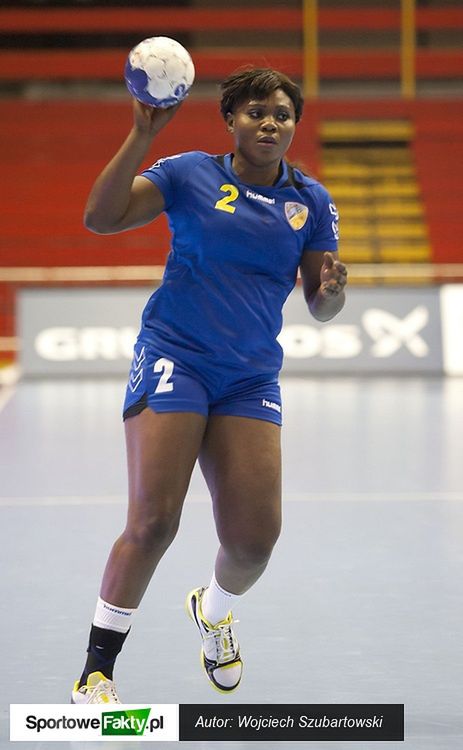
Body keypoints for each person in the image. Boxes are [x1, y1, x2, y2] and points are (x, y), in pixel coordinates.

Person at [71, 67, 347, 703]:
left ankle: (214, 611)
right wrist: (142, 136)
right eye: (255, 112)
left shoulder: (311, 201)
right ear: (230, 120)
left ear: (294, 125)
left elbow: (321, 303)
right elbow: (100, 218)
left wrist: (333, 292)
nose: (269, 123)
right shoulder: (188, 172)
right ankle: (95, 675)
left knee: (253, 543)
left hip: (249, 377)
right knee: (153, 522)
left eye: (282, 114)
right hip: (176, 356)